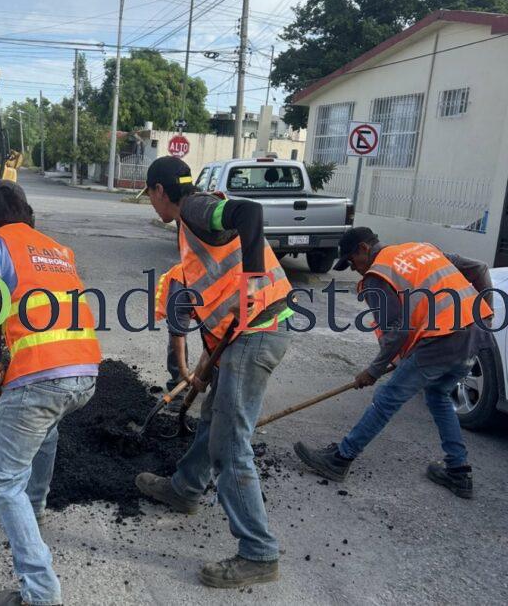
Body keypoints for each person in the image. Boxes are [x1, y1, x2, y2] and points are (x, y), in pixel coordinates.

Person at [136, 156, 294, 588]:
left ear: (160, 191)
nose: (151, 204)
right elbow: (217, 300)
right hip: (241, 335)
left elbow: (250, 213)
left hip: (257, 330)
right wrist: (205, 368)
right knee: (211, 419)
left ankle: (259, 553)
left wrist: (253, 279)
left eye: (150, 196)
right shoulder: (190, 223)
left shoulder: (195, 208)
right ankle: (185, 488)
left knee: (230, 443)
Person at [0, 180, 102, 606]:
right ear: (28, 214)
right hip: (85, 372)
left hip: (44, 378)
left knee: (4, 482)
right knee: (46, 429)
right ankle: (36, 508)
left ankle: (41, 593)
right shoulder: (58, 250)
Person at [294, 227, 493, 499]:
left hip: (443, 340)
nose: (355, 270)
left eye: (352, 262)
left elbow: (396, 332)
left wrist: (372, 371)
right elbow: (480, 269)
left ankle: (340, 459)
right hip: (476, 334)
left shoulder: (378, 275)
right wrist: (486, 315)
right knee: (438, 394)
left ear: (364, 248)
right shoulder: (422, 249)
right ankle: (458, 471)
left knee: (387, 398)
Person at [156, 262, 193, 393]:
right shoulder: (180, 281)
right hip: (183, 293)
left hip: (217, 301)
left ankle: (215, 379)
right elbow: (177, 332)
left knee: (216, 341)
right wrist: (182, 370)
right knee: (176, 340)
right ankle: (178, 383)